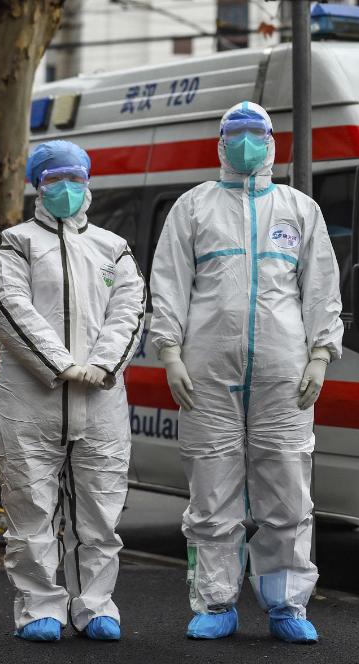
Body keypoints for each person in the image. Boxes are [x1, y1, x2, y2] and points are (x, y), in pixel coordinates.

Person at [149, 101, 343, 644]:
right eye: (235, 133)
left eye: (255, 133)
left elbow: (322, 288)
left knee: (286, 487)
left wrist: (321, 354)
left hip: (284, 368)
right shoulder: (193, 208)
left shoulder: (299, 210)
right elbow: (168, 283)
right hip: (208, 369)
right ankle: (215, 602)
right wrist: (169, 351)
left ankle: (287, 605)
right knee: (212, 490)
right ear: (219, 142)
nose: (245, 142)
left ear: (272, 141)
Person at [0, 140, 146, 643]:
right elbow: (9, 307)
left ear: (89, 183)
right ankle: (39, 607)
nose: (68, 188)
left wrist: (100, 366)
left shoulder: (112, 247)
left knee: (100, 510)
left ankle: (96, 605)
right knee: (30, 509)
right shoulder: (15, 243)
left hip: (100, 400)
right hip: (29, 399)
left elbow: (131, 309)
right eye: (56, 179)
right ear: (39, 184)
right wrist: (61, 365)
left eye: (77, 178)